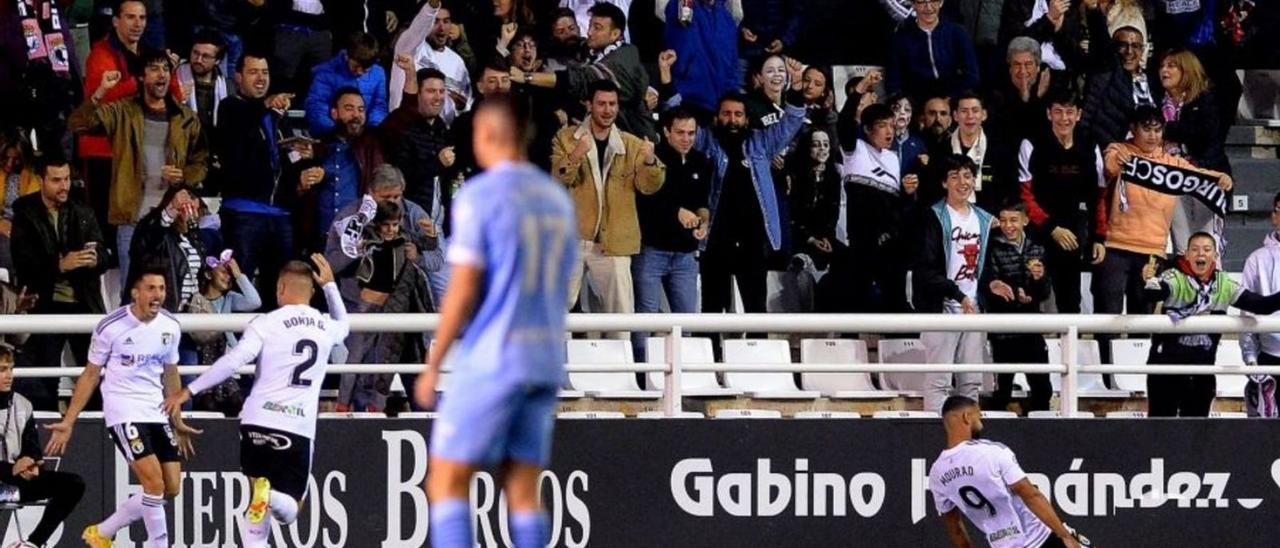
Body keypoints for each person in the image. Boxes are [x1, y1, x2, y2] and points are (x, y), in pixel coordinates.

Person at [413, 94, 578, 548]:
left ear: (485, 135)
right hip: (544, 359)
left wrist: (434, 365)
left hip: (494, 357)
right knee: (523, 489)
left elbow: (463, 288)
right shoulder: (557, 201)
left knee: (446, 480)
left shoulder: (480, 195)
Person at [161, 255, 348, 548]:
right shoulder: (325, 326)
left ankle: (264, 498)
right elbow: (345, 326)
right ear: (310, 291)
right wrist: (331, 287)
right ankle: (270, 496)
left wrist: (190, 390)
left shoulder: (266, 322)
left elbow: (234, 360)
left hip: (256, 421)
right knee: (289, 510)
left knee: (256, 505)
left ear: (280, 287)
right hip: (295, 426)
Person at [44, 265, 199, 548]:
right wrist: (69, 421)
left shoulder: (170, 326)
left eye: (162, 288)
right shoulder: (111, 326)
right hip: (123, 411)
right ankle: (159, 544)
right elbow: (91, 374)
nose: (158, 295)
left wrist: (177, 417)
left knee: (171, 488)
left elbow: (170, 371)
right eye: (151, 288)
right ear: (135, 293)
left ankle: (102, 532)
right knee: (153, 485)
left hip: (157, 410)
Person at [1092, 106, 1231, 365]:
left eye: (1158, 129)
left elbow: (1197, 176)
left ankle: (1135, 377)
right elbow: (1110, 167)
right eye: (1147, 129)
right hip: (1115, 246)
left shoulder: (1170, 163)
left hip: (1152, 253)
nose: (1153, 135)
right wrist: (1117, 163)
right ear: (1134, 129)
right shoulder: (1120, 151)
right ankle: (1104, 377)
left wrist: (1221, 179)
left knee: (1142, 320)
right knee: (1107, 317)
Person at [70, 49, 208, 290]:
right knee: (131, 290)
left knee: (171, 290)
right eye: (154, 69)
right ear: (141, 77)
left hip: (172, 220)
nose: (161, 74)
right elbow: (79, 124)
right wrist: (100, 91)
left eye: (165, 69)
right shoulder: (122, 111)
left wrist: (184, 175)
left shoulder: (185, 118)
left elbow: (202, 161)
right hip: (132, 219)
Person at [694, 83, 811, 314]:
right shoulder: (707, 141)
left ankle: (758, 351)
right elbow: (680, 124)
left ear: (747, 119)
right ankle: (713, 351)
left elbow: (790, 123)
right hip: (715, 238)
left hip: (753, 240)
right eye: (726, 114)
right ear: (717, 117)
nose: (732, 120)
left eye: (738, 114)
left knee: (756, 307)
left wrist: (796, 89)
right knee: (712, 308)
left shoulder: (761, 142)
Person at [551, 80, 665, 316]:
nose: (607, 110)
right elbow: (557, 179)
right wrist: (575, 154)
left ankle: (623, 354)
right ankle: (552, 354)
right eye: (601, 104)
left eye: (612, 104)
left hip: (615, 241)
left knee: (621, 315)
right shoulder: (566, 138)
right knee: (555, 311)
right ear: (588, 105)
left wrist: (650, 162)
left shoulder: (632, 144)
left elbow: (649, 186)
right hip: (572, 238)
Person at [1141, 232, 1280, 417]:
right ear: (1187, 255)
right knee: (1161, 433)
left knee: (1197, 436)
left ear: (1215, 255)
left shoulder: (1224, 284)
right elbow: (1156, 292)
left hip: (1202, 372)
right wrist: (1149, 281)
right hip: (1165, 371)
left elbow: (1261, 305)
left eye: (1207, 250)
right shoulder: (1174, 277)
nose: (1201, 254)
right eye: (1195, 250)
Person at [214, 54, 315, 308]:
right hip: (244, 212)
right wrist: (266, 107)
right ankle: (234, 342)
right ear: (238, 76)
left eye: (265, 73)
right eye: (253, 72)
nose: (261, 79)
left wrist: (302, 161)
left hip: (280, 215)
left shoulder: (277, 116)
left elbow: (286, 157)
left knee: (280, 287)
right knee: (240, 286)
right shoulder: (231, 107)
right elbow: (238, 146)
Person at [10, 155, 107, 411]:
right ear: (41, 180)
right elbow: (24, 263)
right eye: (56, 180)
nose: (64, 186)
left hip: (84, 303)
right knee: (43, 377)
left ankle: (95, 428)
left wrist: (95, 259)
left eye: (66, 179)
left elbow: (106, 256)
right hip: (45, 304)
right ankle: (44, 427)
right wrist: (60, 265)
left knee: (96, 373)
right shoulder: (24, 213)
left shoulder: (83, 212)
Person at [930, 396, 1084, 548]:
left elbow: (955, 529)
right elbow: (1030, 495)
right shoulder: (991, 451)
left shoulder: (937, 472)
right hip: (1041, 538)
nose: (981, 423)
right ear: (966, 417)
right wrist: (1065, 536)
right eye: (979, 416)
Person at [914, 155, 995, 413]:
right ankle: (933, 437)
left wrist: (992, 285)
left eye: (968, 176)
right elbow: (925, 269)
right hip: (942, 309)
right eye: (955, 176)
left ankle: (968, 439)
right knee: (939, 381)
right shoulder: (932, 217)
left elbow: (988, 267)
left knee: (971, 382)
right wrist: (957, 294)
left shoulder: (985, 219)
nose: (963, 182)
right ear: (944, 182)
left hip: (974, 310)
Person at [511, 2, 654, 139]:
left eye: (597, 28)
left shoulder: (618, 61)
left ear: (615, 34)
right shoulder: (596, 50)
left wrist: (525, 77)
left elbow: (578, 79)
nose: (590, 32)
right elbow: (574, 45)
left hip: (635, 142)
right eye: (590, 25)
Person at [1018, 91, 1105, 314]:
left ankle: (1070, 348)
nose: (1063, 118)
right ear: (1049, 114)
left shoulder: (1090, 145)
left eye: (1069, 112)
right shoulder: (1031, 144)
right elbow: (1025, 195)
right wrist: (1051, 228)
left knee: (1070, 301)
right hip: (1038, 233)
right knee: (1031, 296)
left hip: (1073, 234)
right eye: (1058, 111)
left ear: (1079, 115)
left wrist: (1098, 237)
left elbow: (1099, 196)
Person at [632, 108, 710, 356]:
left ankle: (681, 377)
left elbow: (703, 203)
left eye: (691, 133)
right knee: (645, 319)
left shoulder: (702, 161)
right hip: (652, 251)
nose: (686, 138)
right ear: (666, 132)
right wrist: (677, 211)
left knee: (686, 321)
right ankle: (642, 377)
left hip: (685, 255)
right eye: (680, 133)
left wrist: (704, 222)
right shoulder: (653, 159)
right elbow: (645, 198)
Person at [0, 345, 86, 548]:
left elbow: (32, 447)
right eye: (2, 369)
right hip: (7, 473)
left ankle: (32, 543)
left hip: (14, 479)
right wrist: (11, 468)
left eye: (11, 369)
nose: (9, 375)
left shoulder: (23, 404)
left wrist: (31, 464)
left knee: (74, 484)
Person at [1157, 49, 1232, 254]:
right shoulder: (1157, 102)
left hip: (1204, 177)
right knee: (1182, 244)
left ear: (1187, 70)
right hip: (1172, 179)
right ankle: (1186, 285)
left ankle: (1211, 284)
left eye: (1171, 66)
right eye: (1162, 66)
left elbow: (1202, 133)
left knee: (1205, 244)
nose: (1164, 70)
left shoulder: (1206, 99)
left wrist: (1164, 129)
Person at [981, 202, 1053, 414]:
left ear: (1025, 221)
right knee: (1002, 390)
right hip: (1003, 331)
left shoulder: (1037, 249)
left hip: (1031, 329)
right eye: (1003, 220)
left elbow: (1045, 291)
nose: (1007, 226)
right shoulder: (991, 247)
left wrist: (1038, 281)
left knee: (1042, 388)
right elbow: (990, 284)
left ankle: (1042, 428)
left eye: (1013, 220)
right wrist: (1015, 294)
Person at [127, 185, 206, 312]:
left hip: (189, 311)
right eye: (187, 206)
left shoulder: (192, 236)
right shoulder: (154, 228)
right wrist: (172, 210)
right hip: (162, 309)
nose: (192, 212)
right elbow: (147, 243)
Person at [886, 0, 981, 98]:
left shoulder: (956, 32)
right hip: (916, 100)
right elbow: (893, 81)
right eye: (922, 2)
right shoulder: (901, 38)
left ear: (941, 3)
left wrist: (952, 98)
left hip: (952, 98)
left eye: (933, 1)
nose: (929, 7)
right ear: (913, 5)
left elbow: (972, 76)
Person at [305, 33, 389, 137]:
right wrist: (337, 132)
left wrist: (372, 131)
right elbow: (317, 107)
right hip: (330, 135)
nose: (359, 72)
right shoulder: (325, 72)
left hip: (364, 135)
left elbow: (379, 106)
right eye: (355, 66)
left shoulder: (378, 73)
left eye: (365, 70)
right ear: (347, 56)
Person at [1241, 192, 1280, 417]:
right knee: (1265, 437)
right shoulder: (1257, 259)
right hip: (1268, 359)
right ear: (1274, 216)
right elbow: (1246, 313)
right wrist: (1251, 361)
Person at [176, 29, 231, 144]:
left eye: (205, 56)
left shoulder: (228, 87)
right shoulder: (176, 78)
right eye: (195, 53)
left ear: (217, 61)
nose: (198, 60)